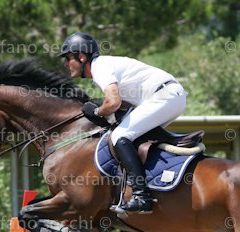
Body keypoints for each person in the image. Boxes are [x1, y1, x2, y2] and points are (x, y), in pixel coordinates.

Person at [59, 32, 187, 213]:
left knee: (119, 136)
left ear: (81, 57)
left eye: (68, 58)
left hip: (164, 96)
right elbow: (123, 103)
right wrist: (103, 108)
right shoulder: (104, 65)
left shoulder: (99, 67)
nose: (65, 64)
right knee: (133, 137)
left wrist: (97, 111)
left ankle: (142, 196)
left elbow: (113, 103)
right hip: (170, 96)